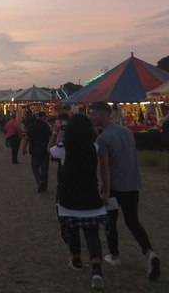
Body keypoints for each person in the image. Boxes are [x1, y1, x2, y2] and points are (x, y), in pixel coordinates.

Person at [89, 101, 161, 281]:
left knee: (110, 222)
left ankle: (114, 255)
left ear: (105, 114)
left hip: (114, 187)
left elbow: (105, 168)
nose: (92, 117)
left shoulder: (103, 139)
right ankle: (149, 253)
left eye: (94, 114)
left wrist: (105, 191)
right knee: (132, 221)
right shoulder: (127, 132)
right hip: (132, 184)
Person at [50, 114, 108, 290]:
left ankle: (76, 259)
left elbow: (49, 149)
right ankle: (96, 270)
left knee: (72, 230)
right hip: (90, 197)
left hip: (69, 199)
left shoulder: (63, 148)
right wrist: (94, 132)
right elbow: (102, 147)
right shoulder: (94, 147)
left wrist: (55, 132)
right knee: (92, 233)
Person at [22, 112, 52, 192]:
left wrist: (24, 148)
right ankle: (44, 186)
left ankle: (39, 181)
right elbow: (50, 138)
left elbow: (27, 138)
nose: (46, 118)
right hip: (44, 150)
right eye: (45, 116)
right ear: (42, 117)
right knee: (44, 169)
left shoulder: (32, 126)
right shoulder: (46, 127)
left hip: (34, 150)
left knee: (35, 167)